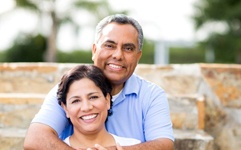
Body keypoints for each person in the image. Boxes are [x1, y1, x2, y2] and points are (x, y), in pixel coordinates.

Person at [24, 14, 174, 150]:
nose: (118, 55)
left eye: (128, 48)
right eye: (109, 45)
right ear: (94, 50)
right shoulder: (68, 89)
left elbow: (164, 145)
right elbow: (35, 139)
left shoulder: (151, 95)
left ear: (138, 56)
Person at [57, 65, 140, 149]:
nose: (86, 107)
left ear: (107, 100)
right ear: (65, 108)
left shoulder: (133, 145)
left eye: (93, 97)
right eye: (76, 101)